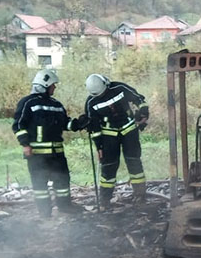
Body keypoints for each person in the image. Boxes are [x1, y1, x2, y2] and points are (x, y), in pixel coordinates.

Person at [12, 69, 87, 217]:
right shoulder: (27, 103)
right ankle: (45, 213)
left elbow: (66, 124)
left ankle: (64, 207)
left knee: (62, 181)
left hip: (57, 154)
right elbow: (19, 125)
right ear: (44, 85)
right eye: (53, 85)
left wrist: (78, 124)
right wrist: (25, 144)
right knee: (40, 184)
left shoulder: (56, 104)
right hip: (37, 155)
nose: (55, 87)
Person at [84, 73, 149, 209]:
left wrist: (143, 112)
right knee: (108, 166)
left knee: (134, 162)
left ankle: (140, 196)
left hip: (129, 130)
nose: (102, 96)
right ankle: (105, 200)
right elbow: (94, 128)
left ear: (106, 84)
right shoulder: (91, 102)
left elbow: (138, 98)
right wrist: (99, 147)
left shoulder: (119, 88)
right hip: (109, 136)